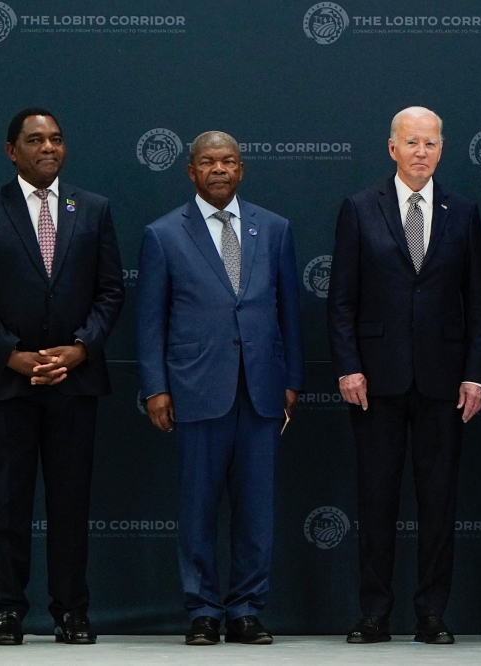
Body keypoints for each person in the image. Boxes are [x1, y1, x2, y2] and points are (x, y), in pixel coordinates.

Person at [0, 108, 124, 646]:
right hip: (8, 384)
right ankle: (7, 610)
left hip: (75, 383)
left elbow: (110, 290)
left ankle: (71, 611)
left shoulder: (92, 208)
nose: (47, 147)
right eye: (34, 140)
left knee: (71, 504)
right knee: (9, 502)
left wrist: (80, 349)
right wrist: (13, 355)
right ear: (12, 151)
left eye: (55, 139)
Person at [327, 106, 481, 645]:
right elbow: (342, 301)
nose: (422, 152)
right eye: (412, 142)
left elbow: (479, 305)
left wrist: (476, 375)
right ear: (392, 147)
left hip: (445, 383)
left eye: (431, 143)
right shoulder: (358, 208)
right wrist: (349, 365)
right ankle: (374, 612)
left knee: (439, 503)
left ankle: (431, 614)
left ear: (442, 149)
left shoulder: (463, 212)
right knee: (376, 500)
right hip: (376, 382)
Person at [136, 131, 303, 646]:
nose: (219, 169)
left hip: (260, 390)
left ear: (241, 169)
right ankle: (203, 609)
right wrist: (155, 388)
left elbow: (290, 314)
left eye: (228, 161)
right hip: (194, 389)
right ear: (191, 171)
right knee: (198, 506)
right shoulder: (163, 234)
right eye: (208, 162)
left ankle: (247, 608)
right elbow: (149, 322)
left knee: (255, 508)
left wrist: (292, 381)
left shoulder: (273, 229)